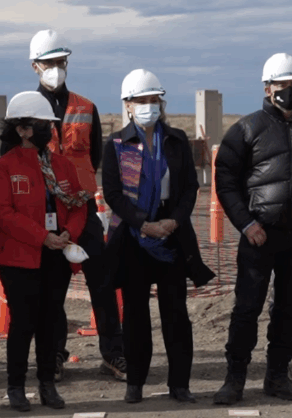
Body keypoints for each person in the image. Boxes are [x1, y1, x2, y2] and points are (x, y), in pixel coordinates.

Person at [213, 53, 292, 405]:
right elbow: (226, 182)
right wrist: (246, 223)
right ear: (267, 88)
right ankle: (234, 379)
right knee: (246, 309)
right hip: (259, 236)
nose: (289, 91)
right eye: (282, 85)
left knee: (287, 309)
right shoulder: (246, 130)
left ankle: (278, 377)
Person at [19, 29, 125, 382]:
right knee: (52, 290)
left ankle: (113, 354)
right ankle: (54, 355)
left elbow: (92, 158)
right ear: (35, 66)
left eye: (61, 62)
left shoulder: (86, 108)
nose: (57, 69)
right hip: (44, 217)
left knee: (103, 282)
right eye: (49, 63)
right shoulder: (24, 111)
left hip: (83, 211)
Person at [103, 69, 214, 404]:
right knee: (135, 315)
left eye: (154, 100)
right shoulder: (118, 145)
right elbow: (112, 193)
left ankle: (179, 384)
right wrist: (142, 224)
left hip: (172, 236)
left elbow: (190, 189)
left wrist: (173, 222)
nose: (150, 106)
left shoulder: (176, 140)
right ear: (128, 104)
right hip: (135, 240)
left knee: (175, 315)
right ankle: (135, 383)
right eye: (142, 100)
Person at [0, 91, 89, 411]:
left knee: (51, 320)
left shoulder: (62, 165)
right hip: (20, 258)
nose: (47, 131)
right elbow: (5, 214)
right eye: (40, 125)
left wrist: (68, 233)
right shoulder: (6, 166)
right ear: (22, 129)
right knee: (23, 323)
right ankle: (16, 386)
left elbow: (80, 205)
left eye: (49, 125)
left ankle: (48, 384)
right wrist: (42, 236)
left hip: (55, 256)